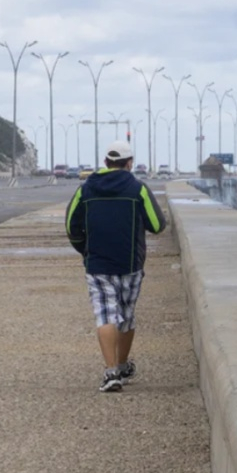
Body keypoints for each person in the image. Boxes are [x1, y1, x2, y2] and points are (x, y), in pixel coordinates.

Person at [66, 140, 167, 392]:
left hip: (97, 263)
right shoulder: (137, 188)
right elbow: (157, 224)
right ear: (129, 163)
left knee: (106, 315)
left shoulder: (86, 189)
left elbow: (71, 227)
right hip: (130, 263)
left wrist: (84, 248)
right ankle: (121, 364)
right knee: (126, 316)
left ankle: (111, 372)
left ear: (105, 162)